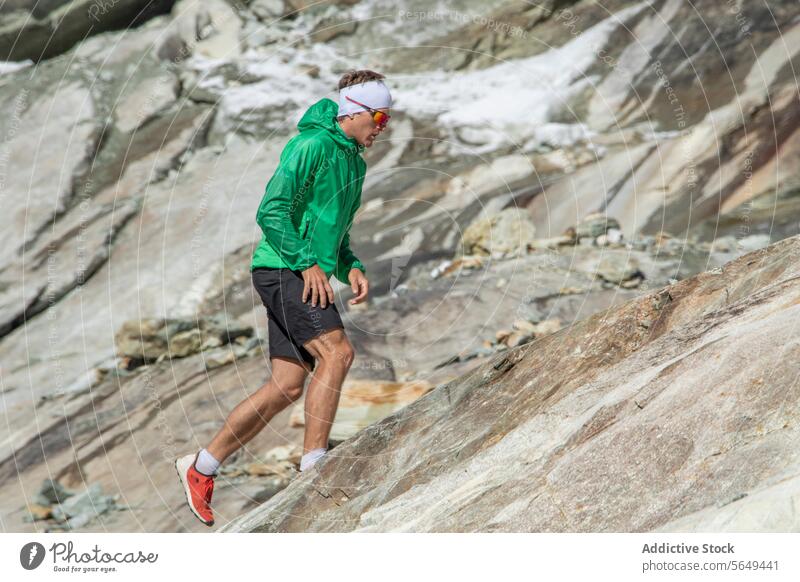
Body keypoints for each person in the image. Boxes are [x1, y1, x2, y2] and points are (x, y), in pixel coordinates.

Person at [175, 70, 392, 526]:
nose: (382, 126)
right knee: (338, 352)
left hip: (301, 267)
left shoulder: (355, 161)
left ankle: (201, 467)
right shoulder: (311, 145)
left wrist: (349, 264)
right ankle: (314, 467)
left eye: (386, 118)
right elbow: (272, 209)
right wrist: (306, 262)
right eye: (378, 116)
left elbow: (336, 229)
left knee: (288, 385)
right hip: (282, 266)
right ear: (353, 111)